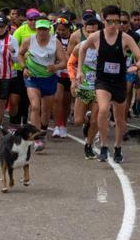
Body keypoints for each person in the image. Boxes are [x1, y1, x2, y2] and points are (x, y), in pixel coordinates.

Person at [78, 5, 140, 163]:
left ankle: (117, 147)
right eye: (110, 21)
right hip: (102, 80)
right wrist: (79, 70)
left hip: (119, 81)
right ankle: (103, 145)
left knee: (119, 118)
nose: (114, 25)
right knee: (103, 110)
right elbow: (82, 49)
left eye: (117, 21)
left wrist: (135, 66)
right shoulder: (96, 37)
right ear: (104, 20)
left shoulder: (125, 38)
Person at [19, 18, 68, 152]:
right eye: (40, 29)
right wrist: (24, 68)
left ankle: (43, 131)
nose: (42, 32)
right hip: (32, 78)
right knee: (35, 107)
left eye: (45, 29)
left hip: (49, 79)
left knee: (45, 110)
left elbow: (64, 62)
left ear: (49, 30)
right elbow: (20, 54)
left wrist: (55, 67)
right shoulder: (29, 40)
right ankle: (36, 137)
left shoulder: (55, 42)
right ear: (36, 29)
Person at [69, 17, 101, 159]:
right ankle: (86, 122)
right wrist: (73, 80)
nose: (90, 35)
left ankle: (89, 145)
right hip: (84, 87)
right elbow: (70, 63)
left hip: (100, 88)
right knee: (78, 121)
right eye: (88, 32)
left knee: (95, 120)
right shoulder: (80, 47)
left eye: (93, 32)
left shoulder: (105, 47)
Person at [52, 17, 75, 138]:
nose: (60, 32)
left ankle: (63, 126)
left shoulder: (74, 38)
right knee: (57, 99)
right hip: (58, 73)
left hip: (70, 74)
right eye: (58, 29)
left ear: (68, 29)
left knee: (66, 103)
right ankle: (57, 126)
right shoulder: (54, 39)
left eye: (63, 30)